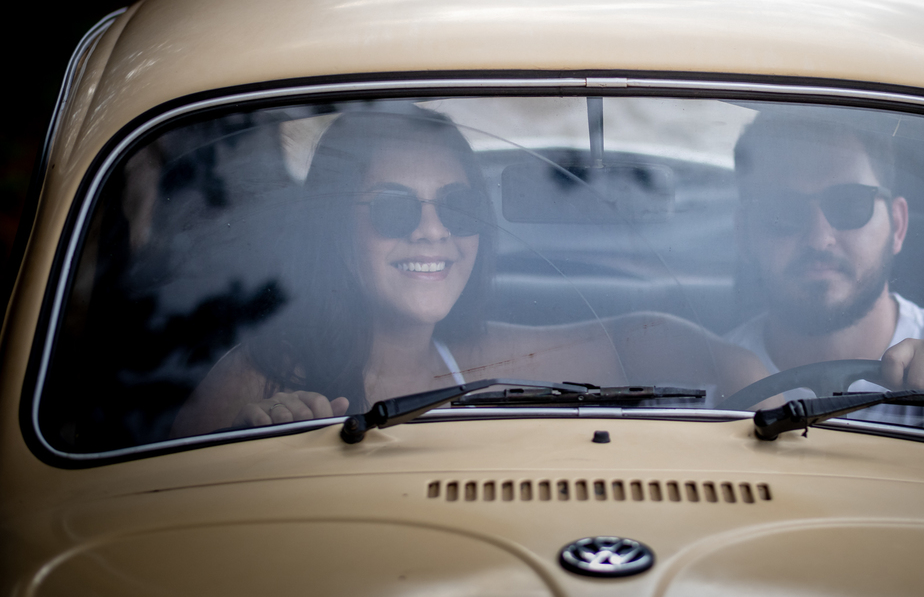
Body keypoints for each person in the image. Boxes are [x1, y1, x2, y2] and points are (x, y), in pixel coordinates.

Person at [172, 108, 763, 436]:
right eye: (394, 208)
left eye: (457, 207)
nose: (433, 231)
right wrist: (258, 439)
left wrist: (777, 395)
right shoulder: (259, 378)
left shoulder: (478, 356)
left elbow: (645, 340)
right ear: (336, 227)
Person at [725, 113, 924, 449]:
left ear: (897, 225)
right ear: (744, 236)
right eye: (781, 210)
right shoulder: (704, 382)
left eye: (850, 203)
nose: (819, 238)